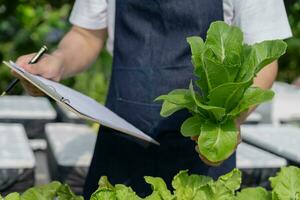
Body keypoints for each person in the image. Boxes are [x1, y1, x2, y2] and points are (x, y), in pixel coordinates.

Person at [15, 0, 292, 198]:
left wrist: (227, 124)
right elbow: (86, 35)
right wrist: (58, 62)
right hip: (120, 142)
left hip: (204, 148)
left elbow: (263, 60)